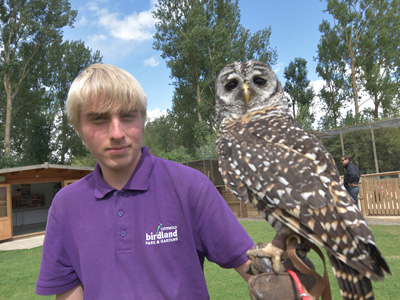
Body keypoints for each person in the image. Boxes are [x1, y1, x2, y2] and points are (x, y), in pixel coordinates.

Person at [35, 64, 254, 299]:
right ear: (78, 128)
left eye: (128, 115)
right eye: (99, 118)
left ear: (143, 119)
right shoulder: (66, 205)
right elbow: (71, 293)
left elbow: (257, 272)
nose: (117, 133)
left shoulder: (190, 186)